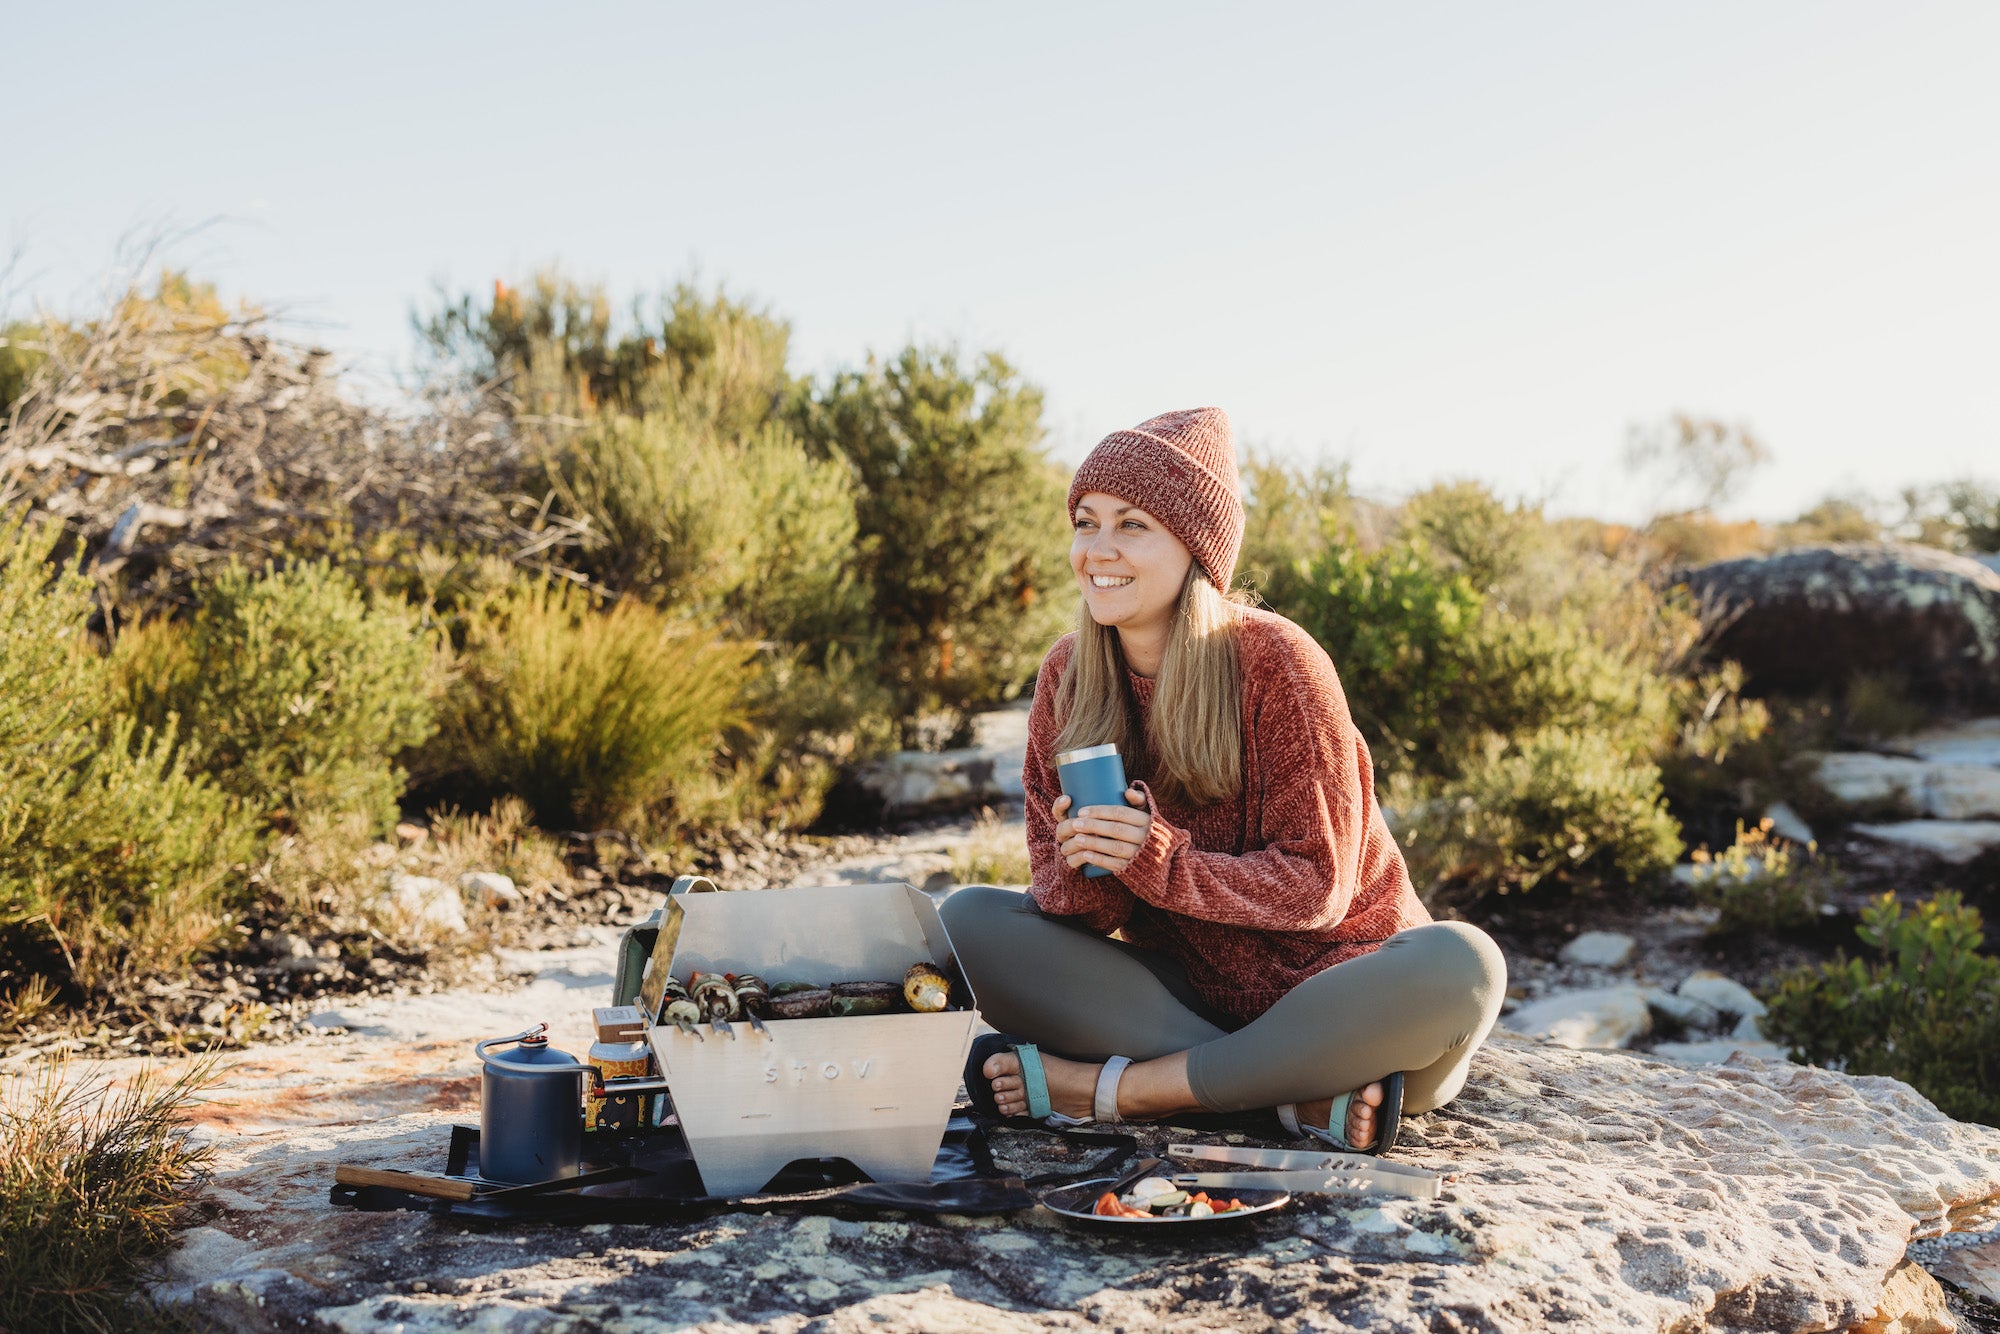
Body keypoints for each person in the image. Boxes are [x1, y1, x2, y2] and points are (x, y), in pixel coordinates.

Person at [939, 407, 1506, 1153]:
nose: (1097, 550)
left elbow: (1316, 885)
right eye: (1086, 521)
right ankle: (1286, 1100)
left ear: (1196, 547)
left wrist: (1159, 860)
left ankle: (1122, 1092)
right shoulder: (1067, 676)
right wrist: (1092, 859)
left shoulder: (1279, 663)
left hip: (1344, 1000)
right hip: (1187, 1003)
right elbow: (1070, 913)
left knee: (1463, 964)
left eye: (1132, 525)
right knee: (969, 922)